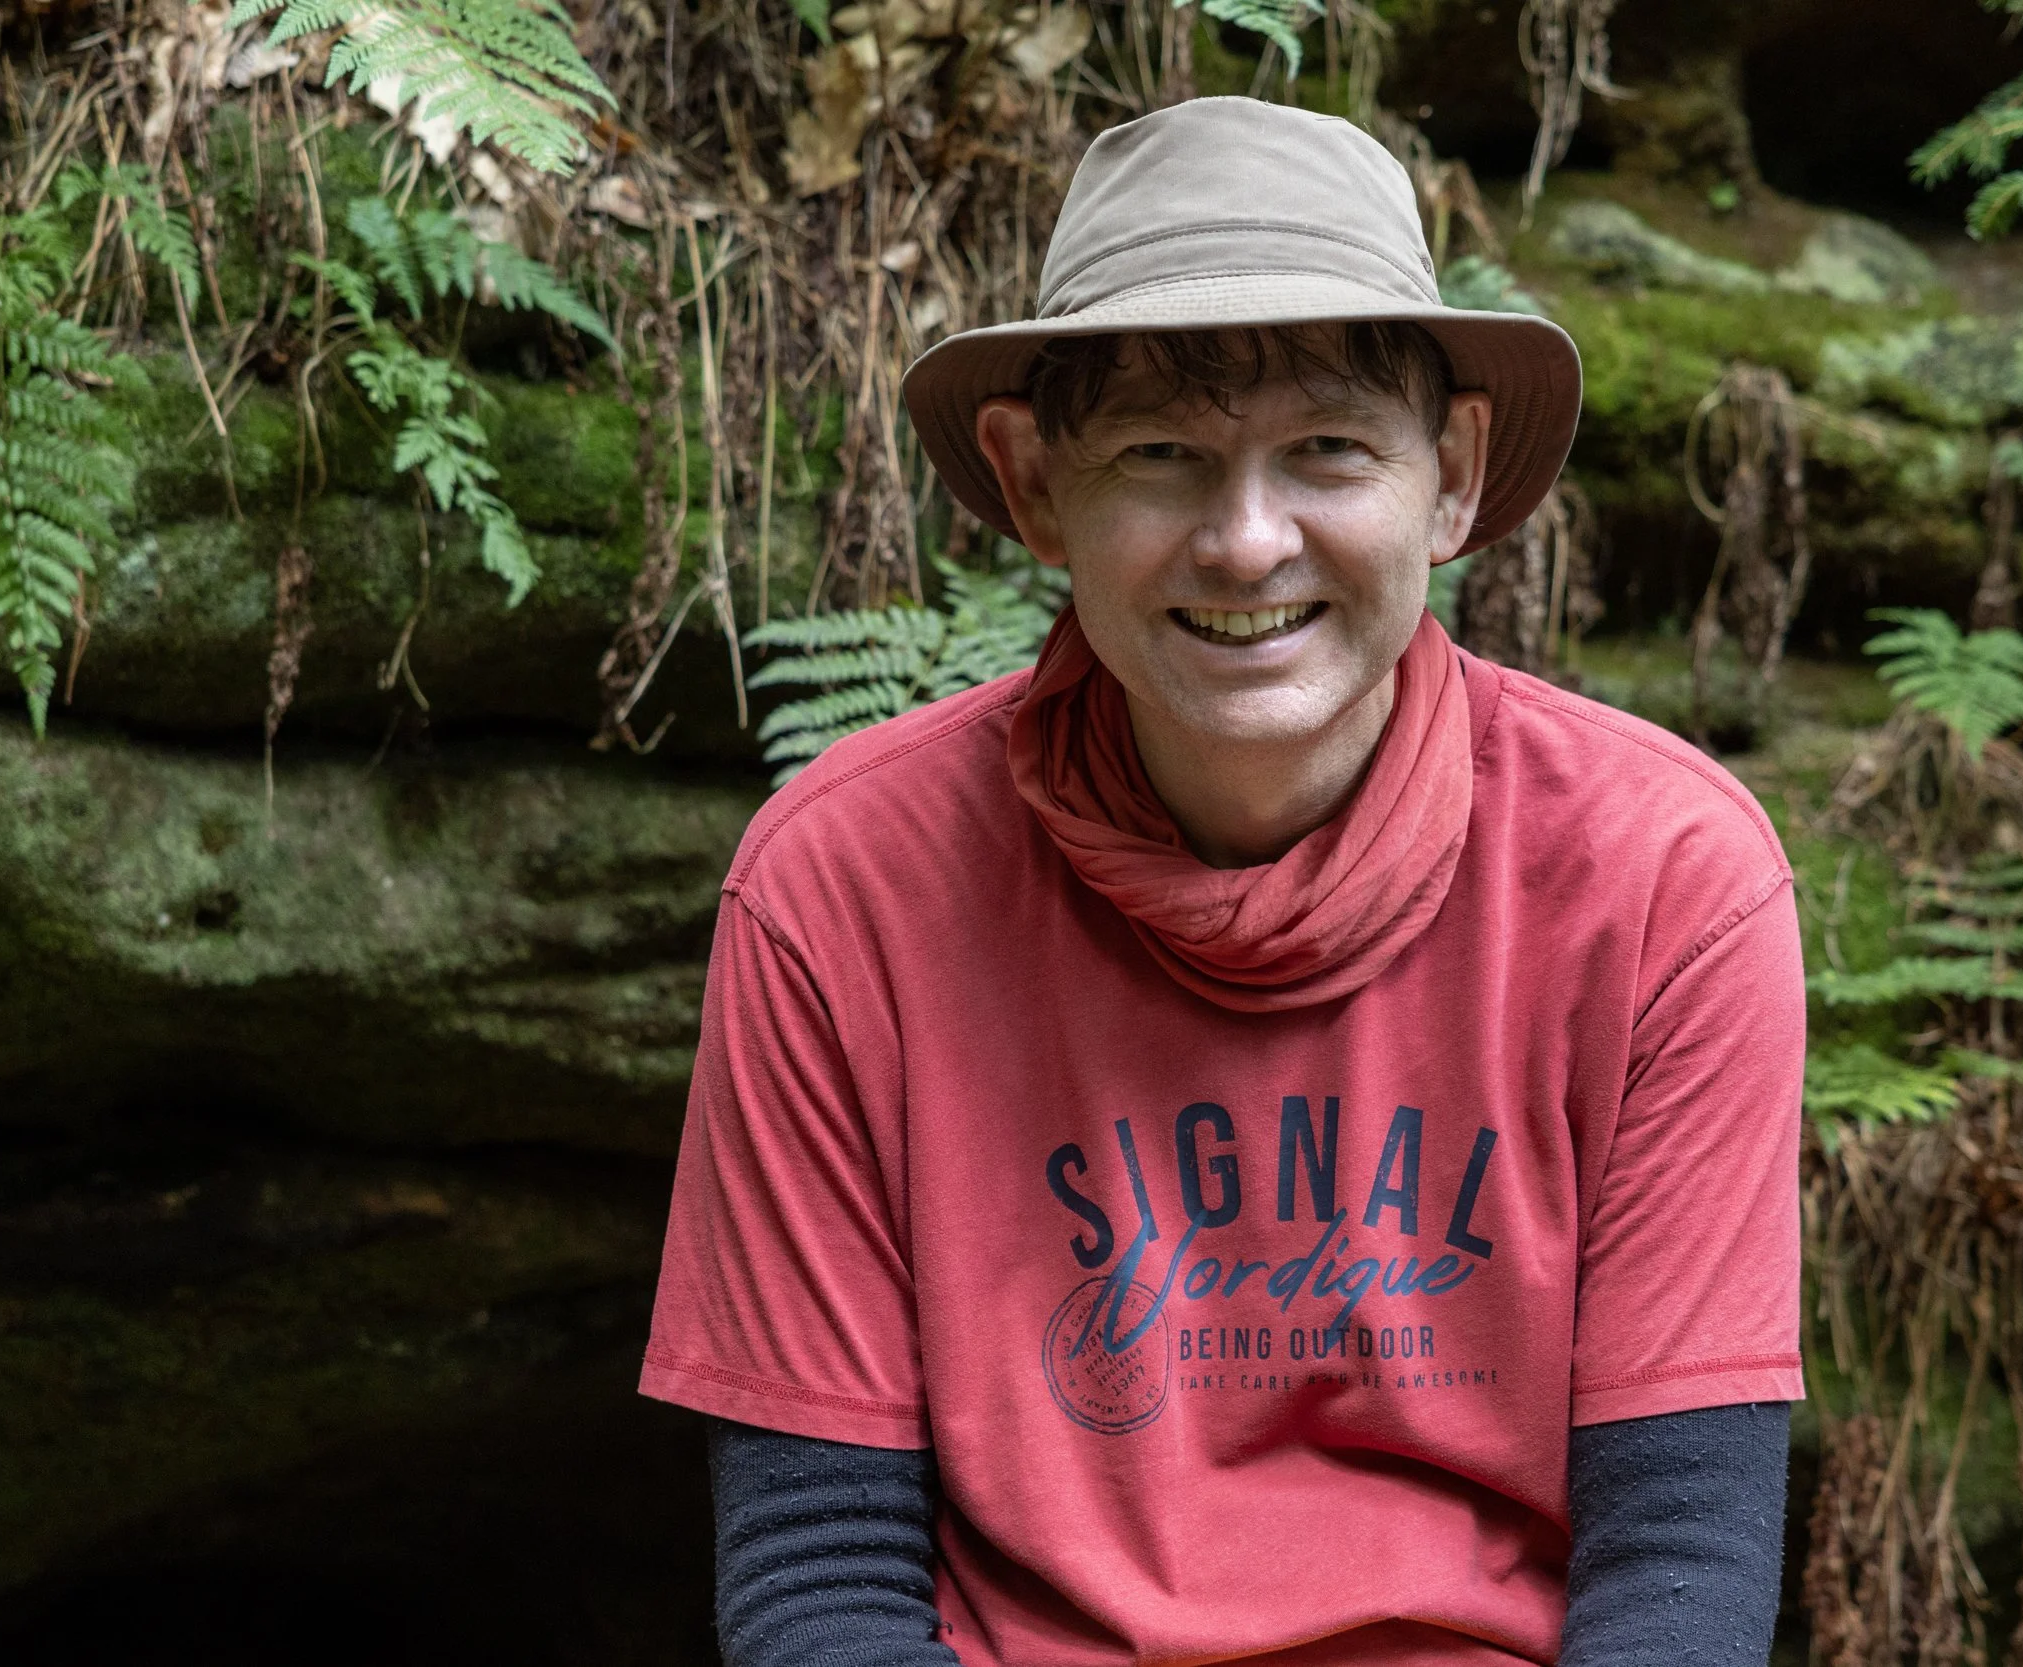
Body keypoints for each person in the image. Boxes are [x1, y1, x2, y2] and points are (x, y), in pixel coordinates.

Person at [640, 96, 1804, 1666]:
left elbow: (1681, 1581)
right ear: (1036, 483)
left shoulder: (1665, 882)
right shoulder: (844, 891)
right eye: (1161, 456)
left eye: (1329, 448)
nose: (1247, 541)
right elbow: (819, 1582)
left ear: (1453, 474)